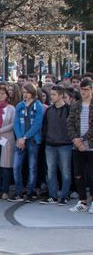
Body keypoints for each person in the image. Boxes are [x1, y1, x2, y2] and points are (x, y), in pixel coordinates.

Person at [11, 83, 45, 203]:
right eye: (24, 92)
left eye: (27, 92)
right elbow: (16, 123)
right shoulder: (20, 105)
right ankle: (18, 191)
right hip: (20, 140)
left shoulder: (38, 105)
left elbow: (37, 124)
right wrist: (20, 137)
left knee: (32, 167)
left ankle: (30, 192)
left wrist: (25, 137)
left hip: (32, 140)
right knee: (16, 166)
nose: (25, 95)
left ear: (33, 93)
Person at [42, 86, 72, 206]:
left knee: (65, 171)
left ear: (60, 95)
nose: (51, 97)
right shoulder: (49, 110)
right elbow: (45, 126)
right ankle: (52, 195)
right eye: (51, 94)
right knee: (51, 171)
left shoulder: (69, 110)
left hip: (65, 145)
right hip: (50, 145)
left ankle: (64, 195)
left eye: (54, 94)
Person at [68, 78, 93, 213]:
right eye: (81, 90)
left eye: (86, 90)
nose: (83, 92)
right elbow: (69, 123)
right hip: (77, 146)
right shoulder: (76, 105)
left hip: (90, 145)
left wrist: (83, 139)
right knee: (78, 174)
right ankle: (82, 201)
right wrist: (75, 140)